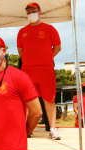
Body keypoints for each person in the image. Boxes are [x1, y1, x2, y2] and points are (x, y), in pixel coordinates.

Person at [17, 2, 62, 140]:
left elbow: (58, 48)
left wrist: (46, 58)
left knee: (49, 99)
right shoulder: (22, 31)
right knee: (26, 101)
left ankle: (53, 129)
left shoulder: (49, 29)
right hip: (27, 70)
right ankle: (26, 130)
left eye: (33, 11)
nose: (31, 14)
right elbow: (20, 51)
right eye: (29, 12)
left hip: (46, 70)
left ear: (40, 12)